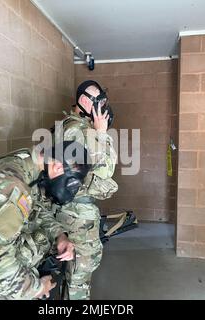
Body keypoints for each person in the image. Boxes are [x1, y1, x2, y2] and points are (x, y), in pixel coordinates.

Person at [0, 141, 91, 300]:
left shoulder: (28, 165)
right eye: (71, 183)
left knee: (41, 240)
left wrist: (60, 235)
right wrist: (37, 288)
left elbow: (36, 207)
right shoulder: (13, 187)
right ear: (59, 167)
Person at [54, 80, 118, 300]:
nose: (102, 105)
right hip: (77, 216)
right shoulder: (78, 130)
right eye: (98, 100)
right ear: (83, 101)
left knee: (70, 274)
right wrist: (102, 133)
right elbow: (106, 170)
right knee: (79, 280)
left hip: (67, 210)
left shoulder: (68, 126)